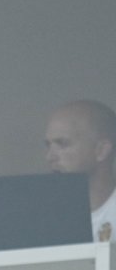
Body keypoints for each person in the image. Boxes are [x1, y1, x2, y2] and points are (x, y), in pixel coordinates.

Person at [44, 100, 116, 242]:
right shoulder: (44, 217)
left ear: (101, 150)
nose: (50, 157)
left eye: (62, 144)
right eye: (48, 145)